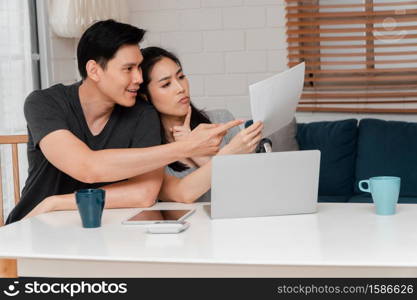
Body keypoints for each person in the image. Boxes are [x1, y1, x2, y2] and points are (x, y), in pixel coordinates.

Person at [6, 20, 241, 224]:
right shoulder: (45, 103)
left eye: (139, 67)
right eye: (128, 69)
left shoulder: (142, 113)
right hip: (35, 221)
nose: (139, 78)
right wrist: (186, 146)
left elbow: (144, 194)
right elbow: (86, 167)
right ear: (94, 71)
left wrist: (56, 202)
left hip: (98, 226)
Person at [138, 46, 263, 203]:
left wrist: (198, 154)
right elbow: (182, 195)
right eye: (166, 84)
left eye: (181, 76)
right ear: (145, 96)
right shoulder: (151, 151)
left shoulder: (221, 119)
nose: (180, 88)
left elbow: (251, 189)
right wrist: (225, 152)